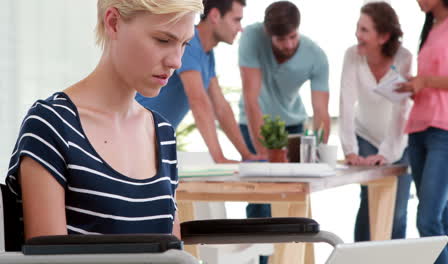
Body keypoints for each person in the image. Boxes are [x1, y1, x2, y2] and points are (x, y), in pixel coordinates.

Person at [3, 0, 203, 249]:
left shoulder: (162, 133)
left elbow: (172, 253)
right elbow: (48, 260)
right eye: (163, 40)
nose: (176, 61)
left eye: (184, 44)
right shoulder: (52, 125)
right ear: (113, 22)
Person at [238, 1, 330, 263]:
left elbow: (321, 112)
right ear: (268, 34)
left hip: (292, 127)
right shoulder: (252, 38)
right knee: (259, 198)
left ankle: (288, 258)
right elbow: (251, 99)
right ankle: (260, 260)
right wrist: (263, 153)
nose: (288, 44)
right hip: (254, 122)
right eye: (280, 39)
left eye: (292, 37)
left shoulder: (316, 55)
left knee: (291, 198)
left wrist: (318, 152)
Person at [136, 0, 259, 163]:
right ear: (215, 16)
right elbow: (198, 101)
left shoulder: (207, 53)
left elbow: (220, 106)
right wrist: (219, 158)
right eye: (236, 20)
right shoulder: (189, 42)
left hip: (152, 141)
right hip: (135, 134)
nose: (240, 28)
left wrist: (247, 155)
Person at [395, 1, 448, 263]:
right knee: (438, 221)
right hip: (419, 127)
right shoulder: (432, 25)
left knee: (427, 220)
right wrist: (416, 87)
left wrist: (427, 81)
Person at [339, 2, 413, 242]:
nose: (357, 35)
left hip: (400, 140)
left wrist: (387, 154)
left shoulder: (404, 58)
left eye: (364, 30)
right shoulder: (352, 56)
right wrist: (350, 150)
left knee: (397, 211)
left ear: (383, 36)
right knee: (369, 202)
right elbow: (346, 104)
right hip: (366, 136)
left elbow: (401, 111)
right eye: (357, 28)